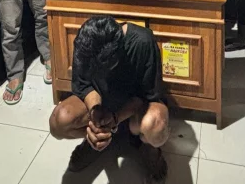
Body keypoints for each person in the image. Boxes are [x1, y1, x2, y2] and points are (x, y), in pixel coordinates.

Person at [49, 16, 169, 182]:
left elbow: (147, 95)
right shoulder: (87, 41)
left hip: (134, 110)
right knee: (58, 121)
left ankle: (149, 149)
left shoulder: (143, 42)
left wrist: (115, 118)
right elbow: (82, 85)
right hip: (103, 105)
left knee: (156, 124)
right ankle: (95, 139)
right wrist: (95, 113)